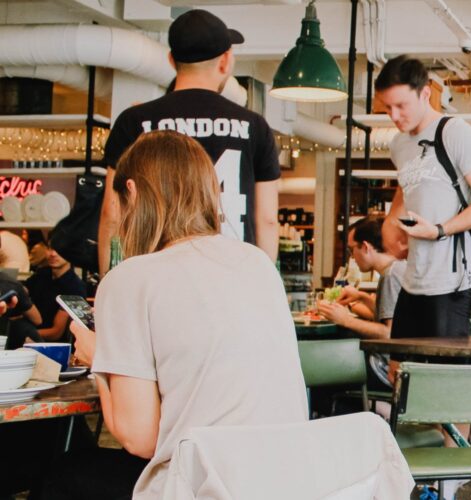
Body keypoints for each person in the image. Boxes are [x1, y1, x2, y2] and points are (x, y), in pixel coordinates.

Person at [37, 131, 307, 500]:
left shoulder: (130, 279)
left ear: (130, 191)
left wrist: (99, 357)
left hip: (203, 487)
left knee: (60, 476)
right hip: (282, 479)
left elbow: (140, 438)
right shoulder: (256, 262)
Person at [99, 9, 280, 274]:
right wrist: (263, 286)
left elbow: (112, 213)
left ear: (171, 60)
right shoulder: (254, 127)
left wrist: (108, 282)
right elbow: (267, 220)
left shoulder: (134, 121)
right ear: (225, 61)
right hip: (232, 275)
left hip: (157, 274)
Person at [374, 55, 471, 340]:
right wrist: (391, 221)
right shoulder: (399, 144)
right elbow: (408, 185)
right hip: (413, 281)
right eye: (387, 107)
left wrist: (439, 230)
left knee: (441, 379)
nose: (394, 116)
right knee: (400, 369)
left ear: (425, 94)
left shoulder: (455, 133)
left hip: (453, 283)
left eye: (401, 106)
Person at [316, 216, 402, 391]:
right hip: (395, 365)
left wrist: (346, 320)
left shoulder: (391, 277)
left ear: (365, 247)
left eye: (351, 250)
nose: (352, 257)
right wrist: (361, 297)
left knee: (322, 366)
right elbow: (394, 317)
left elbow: (390, 334)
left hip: (385, 369)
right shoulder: (398, 268)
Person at [26, 246, 88, 342]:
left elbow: (56, 333)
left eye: (59, 249)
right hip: (31, 335)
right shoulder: (41, 274)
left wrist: (24, 333)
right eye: (50, 248)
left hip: (55, 346)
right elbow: (22, 292)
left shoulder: (75, 287)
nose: (53, 254)